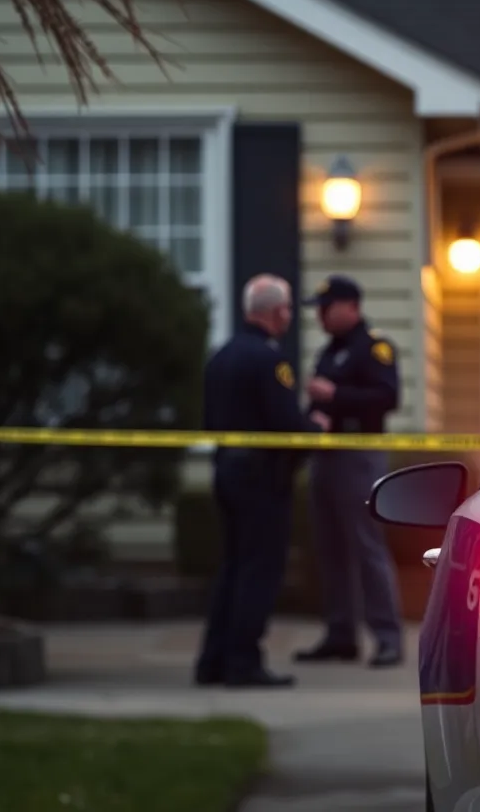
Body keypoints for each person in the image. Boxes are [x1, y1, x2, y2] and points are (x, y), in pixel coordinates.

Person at [194, 274, 327, 688]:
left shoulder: (221, 356)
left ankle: (213, 660)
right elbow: (285, 423)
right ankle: (243, 662)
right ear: (274, 312)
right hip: (261, 479)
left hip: (227, 471)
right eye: (287, 308)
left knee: (233, 568)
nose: (289, 316)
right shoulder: (270, 361)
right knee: (259, 571)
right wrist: (316, 430)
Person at [293, 275, 405, 668]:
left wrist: (335, 396)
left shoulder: (374, 347)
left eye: (326, 307)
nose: (320, 316)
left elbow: (388, 397)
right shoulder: (329, 352)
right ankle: (340, 635)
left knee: (366, 545)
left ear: (349, 306)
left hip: (360, 454)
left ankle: (388, 637)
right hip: (327, 455)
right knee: (330, 548)